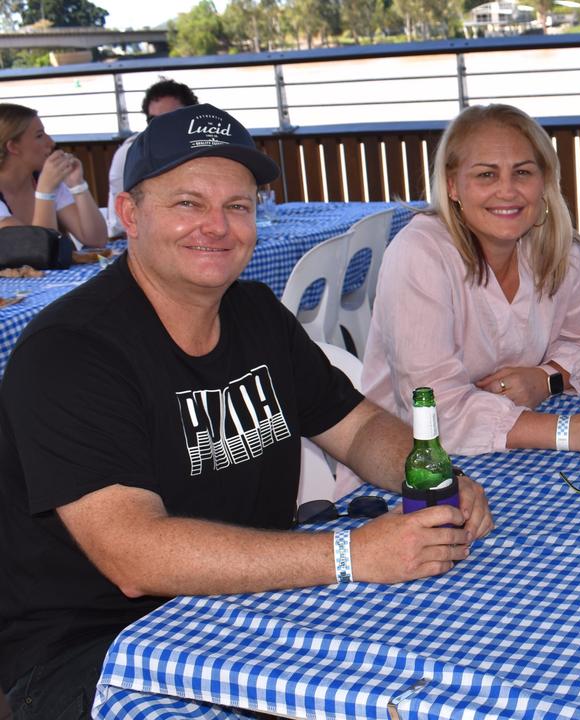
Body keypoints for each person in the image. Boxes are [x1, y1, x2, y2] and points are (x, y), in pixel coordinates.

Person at [0, 103, 493, 719]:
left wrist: (431, 472)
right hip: (94, 653)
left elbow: (359, 426)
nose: (217, 225)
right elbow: (134, 556)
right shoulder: (72, 352)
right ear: (129, 214)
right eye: (188, 204)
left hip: (249, 610)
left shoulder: (255, 312)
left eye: (237, 205)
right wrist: (349, 554)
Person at [342, 103, 580, 496]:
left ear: (543, 181)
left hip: (522, 465)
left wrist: (546, 379)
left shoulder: (555, 249)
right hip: (408, 478)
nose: (508, 190)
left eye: (523, 172)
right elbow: (435, 414)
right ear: (452, 185)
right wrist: (569, 430)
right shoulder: (420, 253)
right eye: (486, 174)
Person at [0, 103, 108, 247]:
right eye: (39, 135)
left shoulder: (42, 179)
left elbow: (97, 240)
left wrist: (78, 185)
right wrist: (45, 192)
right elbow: (36, 253)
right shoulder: (46, 183)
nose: (51, 142)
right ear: (13, 146)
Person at [105, 79, 200, 238]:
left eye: (170, 118)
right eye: (153, 120)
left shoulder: (201, 148)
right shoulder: (131, 153)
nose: (160, 127)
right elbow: (123, 223)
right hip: (131, 238)